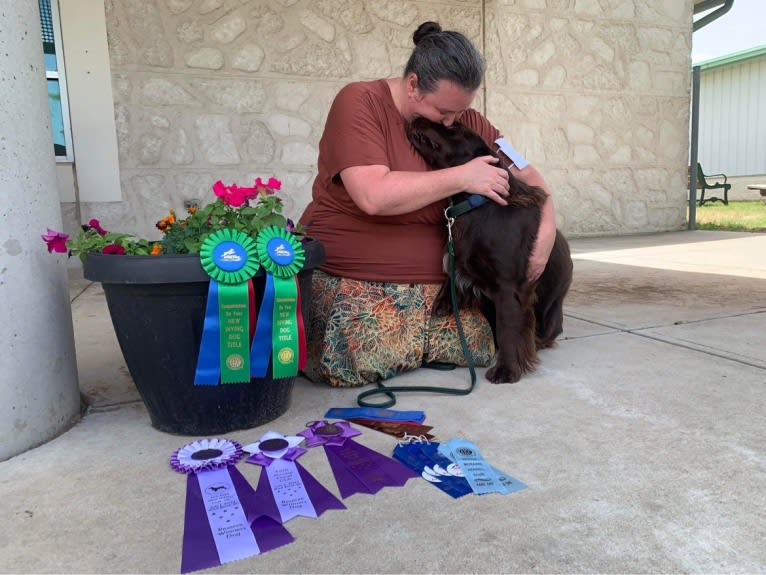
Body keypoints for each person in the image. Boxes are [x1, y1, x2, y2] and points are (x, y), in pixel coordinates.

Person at [299, 21, 557, 388]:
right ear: (413, 85)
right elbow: (373, 196)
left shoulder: (465, 119)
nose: (455, 121)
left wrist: (545, 234)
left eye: (461, 111)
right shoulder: (359, 102)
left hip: (449, 287)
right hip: (361, 274)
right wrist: (462, 177)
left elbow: (529, 175)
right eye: (444, 112)